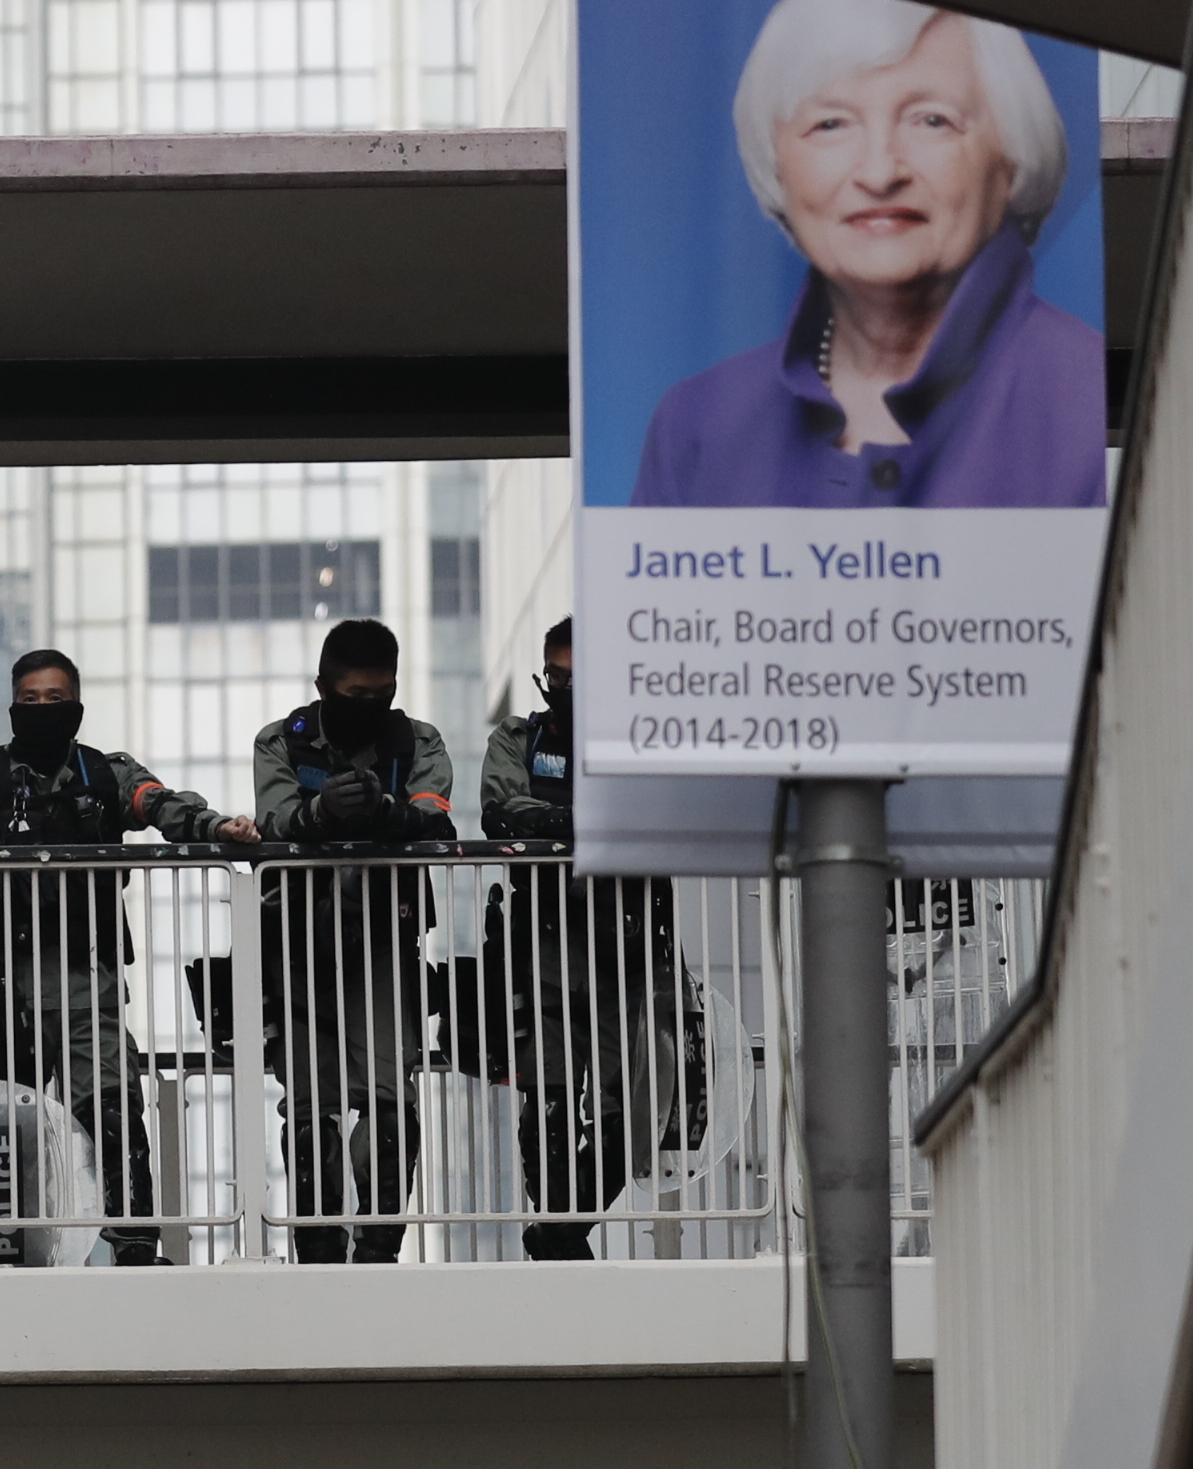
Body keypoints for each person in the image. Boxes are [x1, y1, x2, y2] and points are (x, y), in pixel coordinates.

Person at [635, 0, 1101, 509]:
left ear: (1012, 159)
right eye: (831, 125)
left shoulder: (1088, 395)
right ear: (778, 168)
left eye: (931, 120)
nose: (880, 173)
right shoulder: (698, 427)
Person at [0, 653, 260, 1265]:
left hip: (89, 978)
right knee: (4, 1124)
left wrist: (217, 827)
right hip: (4, 982)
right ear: (12, 707)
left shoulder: (106, 775)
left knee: (111, 1108)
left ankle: (133, 1243)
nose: (42, 711)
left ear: (77, 708)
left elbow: (161, 805)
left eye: (54, 699)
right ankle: (5, 1248)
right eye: (29, 701)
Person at [478, 620, 702, 1259]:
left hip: (626, 953)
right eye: (559, 676)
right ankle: (559, 1237)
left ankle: (557, 1236)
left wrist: (582, 823)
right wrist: (590, 821)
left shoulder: (641, 737)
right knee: (545, 1102)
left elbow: (667, 809)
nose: (569, 689)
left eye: (584, 677)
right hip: (542, 950)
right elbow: (500, 810)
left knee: (624, 1109)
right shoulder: (521, 737)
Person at [252, 622, 461, 1263]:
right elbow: (273, 822)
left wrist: (385, 813)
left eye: (380, 694)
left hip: (382, 942)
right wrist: (320, 816)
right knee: (311, 1109)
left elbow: (435, 820)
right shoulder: (281, 741)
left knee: (391, 1106)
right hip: (299, 945)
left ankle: (377, 1248)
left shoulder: (415, 741)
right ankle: (316, 1248)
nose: (366, 706)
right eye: (352, 694)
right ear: (323, 687)